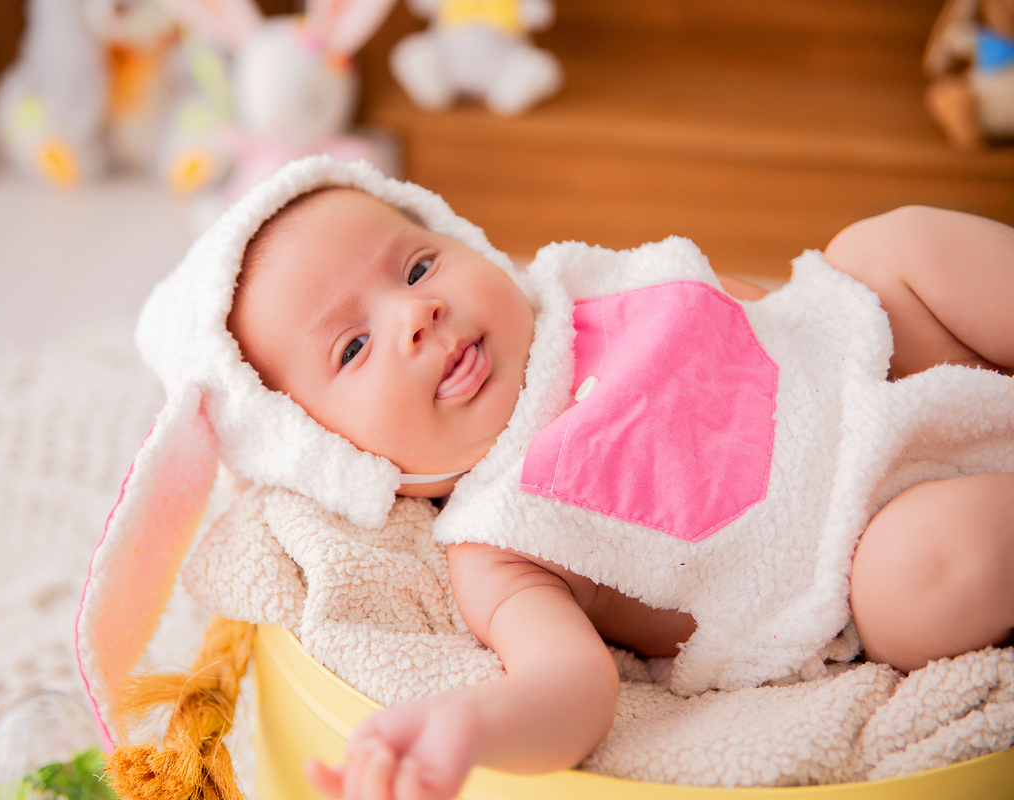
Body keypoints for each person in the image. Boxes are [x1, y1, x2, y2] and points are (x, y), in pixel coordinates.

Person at [222, 182, 1014, 800]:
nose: (415, 313)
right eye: (354, 346)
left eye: (419, 265)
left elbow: (755, 317)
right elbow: (571, 687)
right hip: (864, 538)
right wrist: (471, 728)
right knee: (921, 582)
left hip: (886, 359)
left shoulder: (583, 288)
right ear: (333, 454)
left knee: (887, 246)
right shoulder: (500, 542)